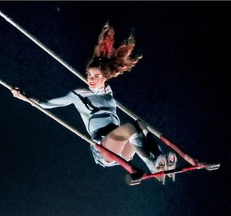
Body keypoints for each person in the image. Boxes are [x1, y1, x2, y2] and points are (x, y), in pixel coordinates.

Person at [11, 23, 177, 182]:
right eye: (89, 75)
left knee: (139, 124)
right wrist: (24, 97)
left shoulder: (108, 92)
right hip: (104, 146)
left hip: (121, 148)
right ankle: (151, 164)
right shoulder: (79, 94)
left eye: (97, 76)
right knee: (128, 127)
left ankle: (158, 157)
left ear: (106, 77)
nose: (91, 79)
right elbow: (47, 104)